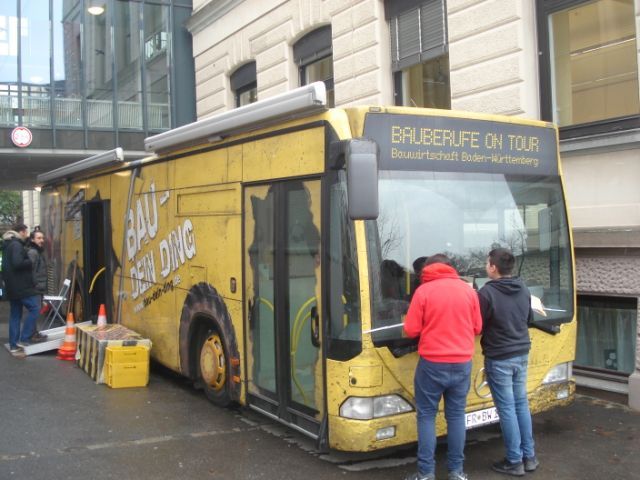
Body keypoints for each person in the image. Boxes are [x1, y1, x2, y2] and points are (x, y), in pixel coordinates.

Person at [403, 254, 483, 480]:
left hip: (432, 364)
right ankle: (456, 472)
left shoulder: (423, 292)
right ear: (450, 267)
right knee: (456, 416)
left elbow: (411, 330)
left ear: (427, 269)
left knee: (427, 416)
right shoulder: (468, 291)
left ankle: (426, 474)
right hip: (462, 363)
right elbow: (478, 327)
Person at [477, 248, 539, 476]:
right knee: (521, 404)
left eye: (487, 263)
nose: (486, 266)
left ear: (493, 267)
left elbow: (477, 325)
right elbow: (529, 318)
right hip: (522, 352)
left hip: (499, 356)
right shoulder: (523, 288)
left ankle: (514, 460)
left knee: (507, 409)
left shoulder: (486, 293)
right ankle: (529, 457)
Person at [1, 224, 39, 353]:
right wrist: (30, 261)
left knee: (15, 315)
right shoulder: (16, 245)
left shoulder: (8, 244)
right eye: (26, 232)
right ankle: (25, 338)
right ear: (21, 232)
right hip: (21, 286)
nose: (27, 235)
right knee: (35, 308)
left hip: (12, 286)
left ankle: (13, 344)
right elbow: (17, 263)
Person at [26, 229, 48, 342]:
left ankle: (34, 333)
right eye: (39, 238)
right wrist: (35, 284)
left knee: (36, 311)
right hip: (35, 288)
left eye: (42, 238)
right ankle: (31, 334)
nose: (41, 240)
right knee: (34, 311)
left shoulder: (38, 252)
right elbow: (31, 271)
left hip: (39, 287)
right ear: (32, 240)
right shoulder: (33, 253)